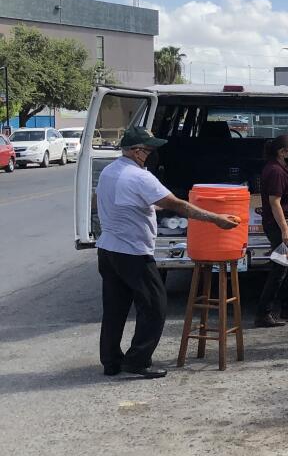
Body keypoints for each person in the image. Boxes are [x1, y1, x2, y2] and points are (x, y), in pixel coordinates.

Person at [95, 126, 239, 378]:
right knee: (154, 306)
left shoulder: (110, 171)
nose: (153, 155)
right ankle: (138, 361)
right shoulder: (141, 177)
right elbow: (177, 205)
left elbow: (127, 202)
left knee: (115, 308)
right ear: (138, 152)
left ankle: (111, 361)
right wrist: (216, 218)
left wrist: (151, 208)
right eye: (150, 150)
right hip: (132, 252)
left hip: (108, 249)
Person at [257, 134, 288, 327]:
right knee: (281, 267)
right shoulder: (275, 171)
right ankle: (264, 313)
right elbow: (274, 202)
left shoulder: (281, 169)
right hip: (280, 226)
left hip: (286, 225)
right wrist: (285, 230)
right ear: (282, 152)